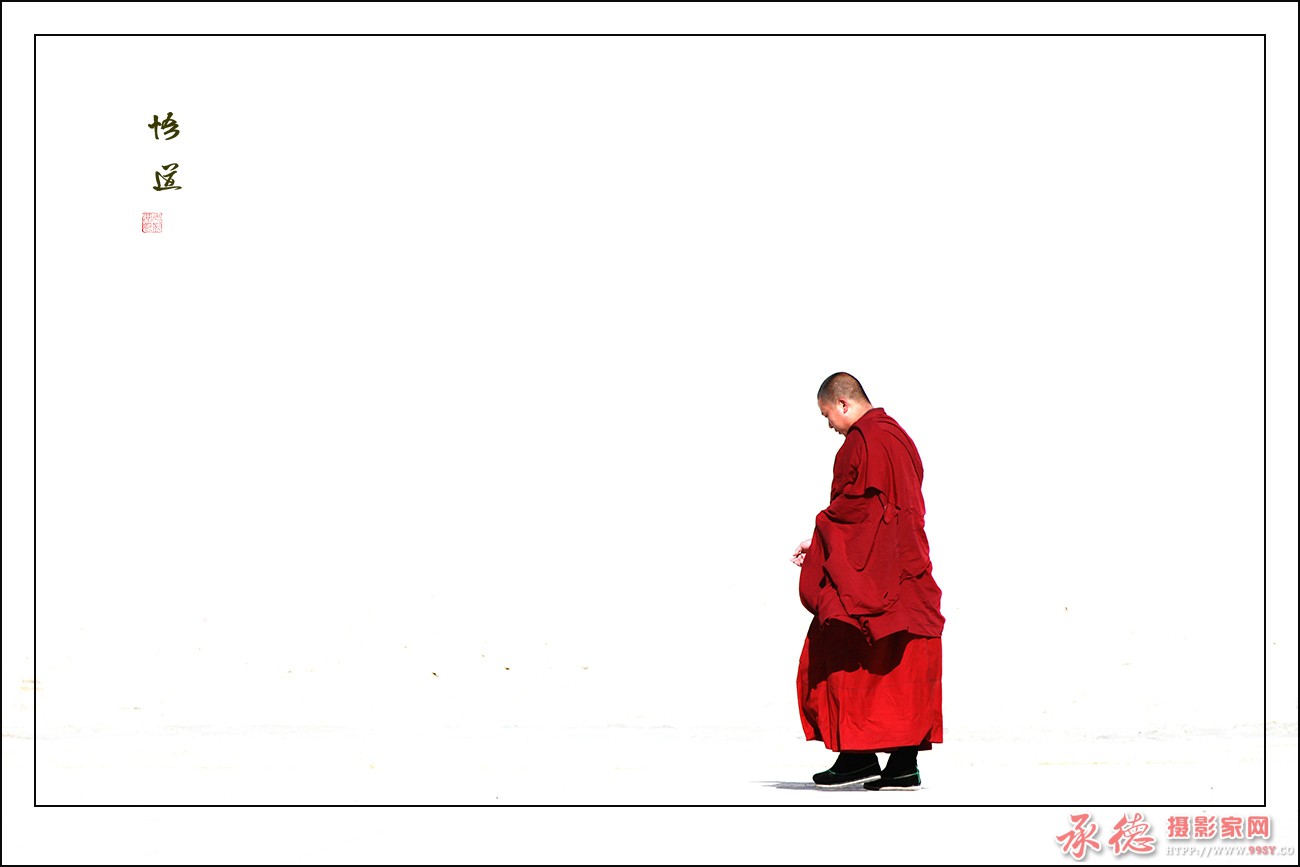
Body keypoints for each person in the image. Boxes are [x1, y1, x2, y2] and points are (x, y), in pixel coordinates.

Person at [791, 372, 944, 789]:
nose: (829, 425)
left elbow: (853, 512)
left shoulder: (863, 441)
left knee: (840, 646)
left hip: (874, 573)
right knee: (906, 661)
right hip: (906, 568)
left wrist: (824, 538)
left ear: (843, 404)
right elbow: (882, 510)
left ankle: (857, 757)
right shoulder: (898, 437)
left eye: (827, 415)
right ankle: (901, 764)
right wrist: (824, 542)